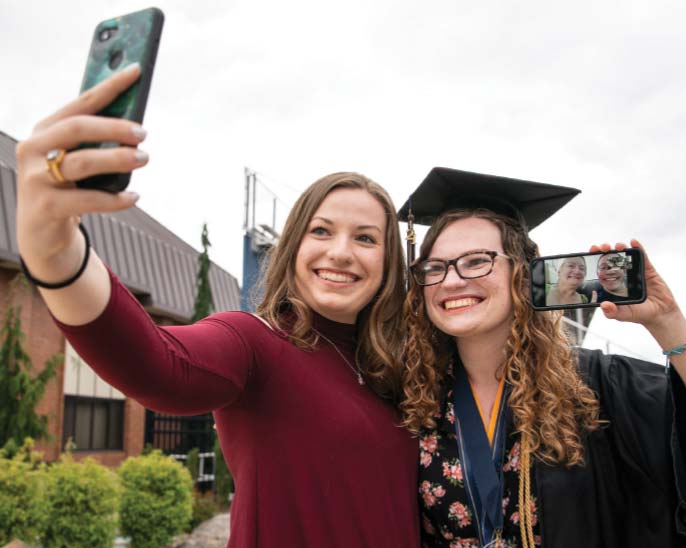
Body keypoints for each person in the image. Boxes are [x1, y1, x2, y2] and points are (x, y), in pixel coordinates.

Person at [15, 65, 419, 547]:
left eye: (366, 238)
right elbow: (154, 363)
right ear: (293, 247)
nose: (341, 252)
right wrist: (55, 251)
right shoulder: (256, 343)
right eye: (322, 230)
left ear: (389, 261)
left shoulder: (398, 369)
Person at [397, 167, 686, 548]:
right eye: (434, 267)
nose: (452, 280)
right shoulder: (414, 400)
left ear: (525, 274)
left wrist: (668, 322)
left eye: (477, 261)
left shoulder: (597, 387)